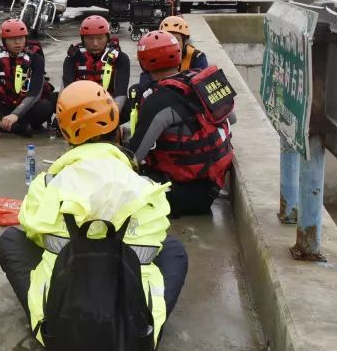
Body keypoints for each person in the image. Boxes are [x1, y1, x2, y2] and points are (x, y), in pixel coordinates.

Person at [0, 81, 188, 351]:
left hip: (60, 335)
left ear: (64, 134)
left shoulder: (47, 186)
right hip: (134, 338)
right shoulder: (146, 189)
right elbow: (154, 237)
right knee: (173, 249)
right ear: (116, 128)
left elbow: (32, 230)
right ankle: (148, 328)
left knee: (12, 239)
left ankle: (44, 318)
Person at [125, 31, 236, 217]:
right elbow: (232, 118)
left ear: (143, 62)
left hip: (178, 194)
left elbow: (134, 157)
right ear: (178, 56)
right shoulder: (204, 79)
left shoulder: (156, 100)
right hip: (212, 187)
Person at [0, 18, 56, 137]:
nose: (18, 42)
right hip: (4, 106)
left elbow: (34, 93)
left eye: (21, 38)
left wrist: (16, 114)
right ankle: (18, 128)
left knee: (46, 107)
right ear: (4, 41)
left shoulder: (36, 58)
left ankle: (1, 125)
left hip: (26, 108)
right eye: (12, 39)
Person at [62, 15, 130, 109]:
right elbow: (67, 91)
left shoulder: (120, 58)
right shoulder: (72, 57)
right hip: (79, 105)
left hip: (108, 104)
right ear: (83, 39)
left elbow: (121, 92)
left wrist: (112, 113)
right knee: (53, 99)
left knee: (131, 103)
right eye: (90, 39)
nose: (95, 44)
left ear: (107, 38)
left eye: (100, 38)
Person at [133, 16, 209, 93]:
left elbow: (204, 85)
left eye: (176, 39)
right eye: (167, 39)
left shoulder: (196, 57)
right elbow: (145, 82)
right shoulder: (155, 56)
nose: (172, 44)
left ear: (184, 41)